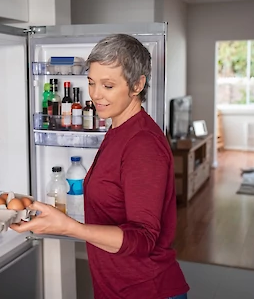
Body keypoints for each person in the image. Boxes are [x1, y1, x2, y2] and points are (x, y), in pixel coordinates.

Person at [11, 34, 190, 299]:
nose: (95, 94)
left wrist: (69, 227)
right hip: (117, 286)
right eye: (92, 83)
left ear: (137, 84)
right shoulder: (119, 128)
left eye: (107, 85)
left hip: (146, 290)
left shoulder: (142, 144)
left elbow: (144, 239)